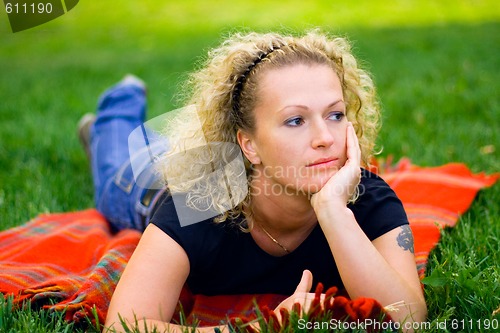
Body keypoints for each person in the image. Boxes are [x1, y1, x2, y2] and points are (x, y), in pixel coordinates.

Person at [81, 30, 427, 332]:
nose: (325, 137)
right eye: (296, 120)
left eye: (335, 115)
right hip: (150, 189)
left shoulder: (368, 197)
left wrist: (333, 212)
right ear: (249, 144)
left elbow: (409, 320)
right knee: (124, 162)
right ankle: (119, 103)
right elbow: (124, 326)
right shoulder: (197, 203)